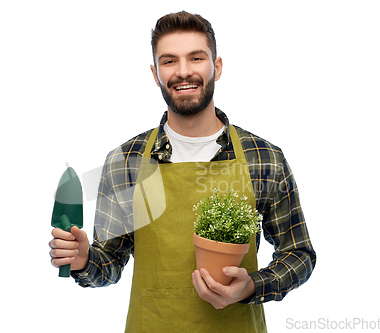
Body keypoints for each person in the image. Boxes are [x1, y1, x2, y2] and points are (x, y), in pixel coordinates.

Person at [49, 11, 316, 332]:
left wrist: (252, 286)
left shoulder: (263, 157)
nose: (184, 71)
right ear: (155, 73)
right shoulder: (126, 160)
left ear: (216, 67)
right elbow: (109, 263)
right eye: (169, 61)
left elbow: (298, 253)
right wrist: (83, 260)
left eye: (196, 57)